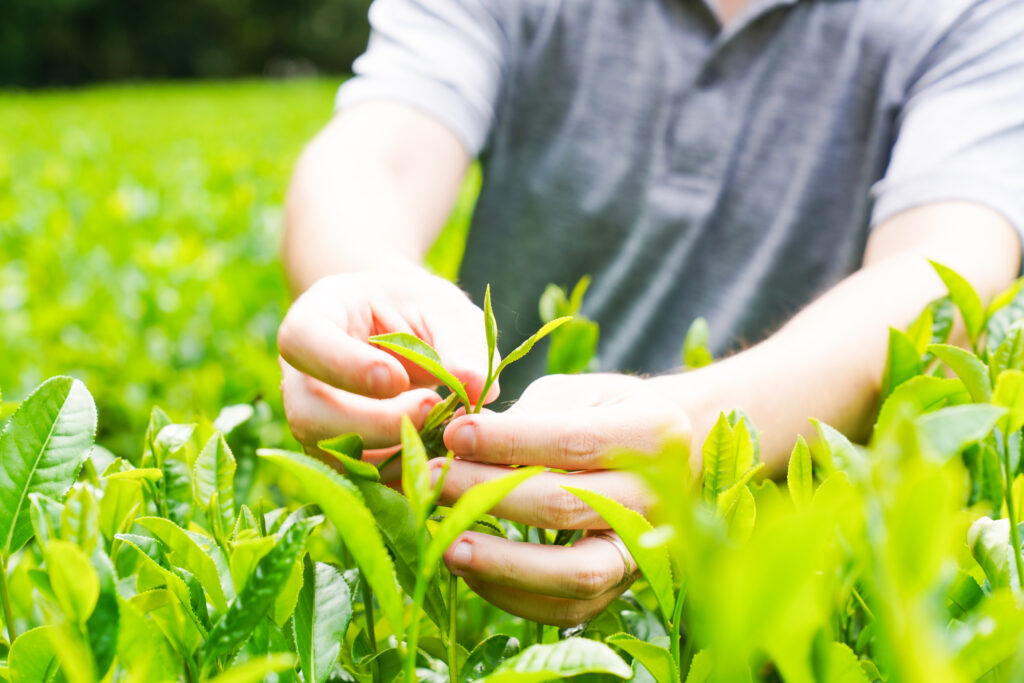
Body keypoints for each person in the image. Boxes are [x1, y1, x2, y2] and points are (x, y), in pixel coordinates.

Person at [277, 0, 1024, 626]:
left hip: (785, 589)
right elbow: (374, 152)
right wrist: (372, 294)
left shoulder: (975, 13)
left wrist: (695, 435)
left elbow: (944, 265)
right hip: (479, 524)